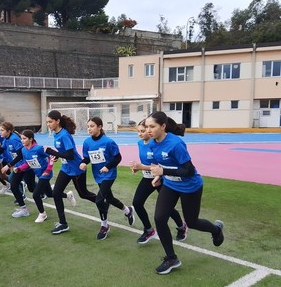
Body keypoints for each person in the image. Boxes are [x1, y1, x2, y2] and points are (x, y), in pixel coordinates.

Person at [145, 111, 224, 275]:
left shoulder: (176, 144)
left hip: (190, 186)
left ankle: (216, 230)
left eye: (152, 126)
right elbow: (163, 163)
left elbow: (188, 170)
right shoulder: (152, 143)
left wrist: (163, 170)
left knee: (192, 222)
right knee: (160, 218)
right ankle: (171, 258)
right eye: (147, 126)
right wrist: (159, 175)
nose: (148, 130)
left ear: (163, 126)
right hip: (171, 185)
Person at [129, 119, 187, 244]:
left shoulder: (155, 144)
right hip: (148, 178)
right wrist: (137, 168)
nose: (140, 134)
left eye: (143, 131)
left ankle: (182, 227)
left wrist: (141, 167)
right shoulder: (140, 143)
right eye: (138, 131)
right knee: (137, 203)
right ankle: (149, 230)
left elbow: (159, 166)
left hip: (161, 179)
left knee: (167, 208)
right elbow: (146, 163)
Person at [80, 117, 135, 240]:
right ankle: (127, 210)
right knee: (109, 198)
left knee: (99, 200)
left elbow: (117, 158)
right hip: (97, 175)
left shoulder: (108, 142)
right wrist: (83, 163)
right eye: (88, 126)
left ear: (99, 127)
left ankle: (104, 226)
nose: (89, 128)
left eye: (92, 126)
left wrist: (107, 166)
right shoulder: (87, 142)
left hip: (109, 175)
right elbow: (87, 158)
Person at [44, 110, 97, 234]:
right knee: (56, 193)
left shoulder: (64, 135)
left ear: (57, 121)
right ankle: (63, 224)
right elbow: (64, 153)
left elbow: (70, 155)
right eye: (47, 122)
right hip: (66, 169)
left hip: (77, 169)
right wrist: (57, 156)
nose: (48, 124)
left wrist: (52, 152)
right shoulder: (56, 134)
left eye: (50, 122)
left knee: (83, 194)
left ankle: (102, 201)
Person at [13, 130, 56, 223]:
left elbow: (52, 157)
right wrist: (19, 168)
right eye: (21, 139)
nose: (22, 141)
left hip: (45, 174)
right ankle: (68, 195)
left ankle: (42, 214)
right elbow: (27, 163)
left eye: (24, 139)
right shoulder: (24, 150)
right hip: (39, 174)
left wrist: (48, 170)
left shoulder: (38, 148)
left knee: (36, 194)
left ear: (31, 139)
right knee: (50, 194)